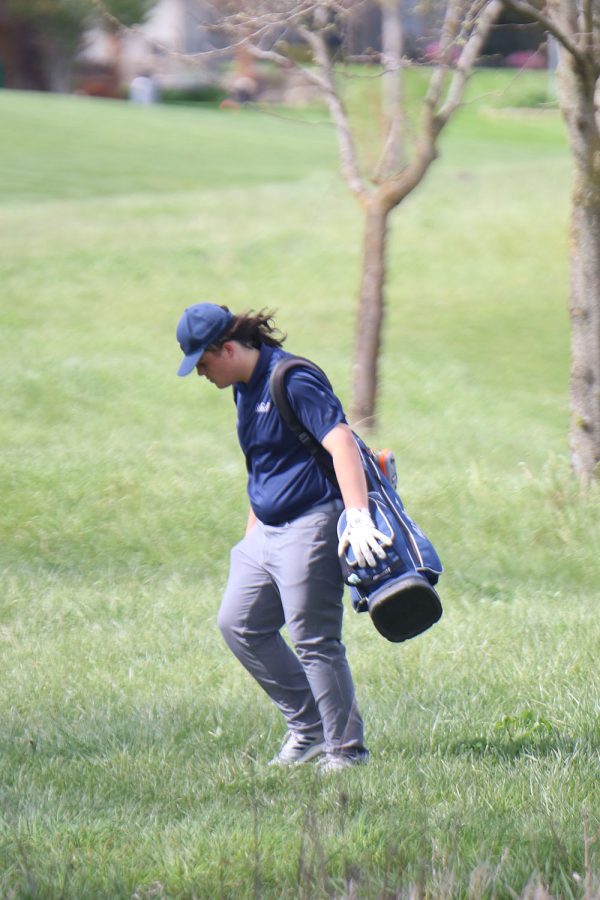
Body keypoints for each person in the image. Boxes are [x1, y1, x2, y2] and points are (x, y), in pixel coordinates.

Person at [176, 302, 391, 771]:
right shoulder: (242, 388)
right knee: (240, 623)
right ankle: (309, 728)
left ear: (228, 348)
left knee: (314, 640)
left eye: (203, 362)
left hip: (312, 522)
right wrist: (251, 537)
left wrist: (357, 518)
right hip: (266, 531)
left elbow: (340, 442)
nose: (201, 374)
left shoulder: (291, 378)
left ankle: (345, 750)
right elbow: (263, 464)